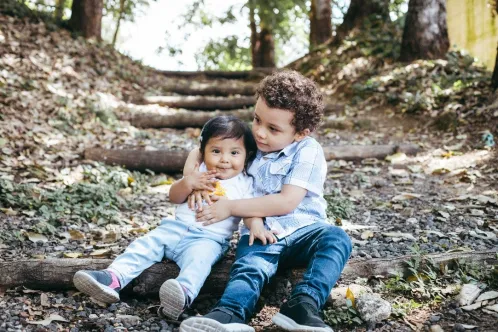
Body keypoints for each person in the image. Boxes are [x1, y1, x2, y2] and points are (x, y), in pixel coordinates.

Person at [179, 71, 352, 332]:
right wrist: (192, 171)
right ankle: (229, 313)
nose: (259, 132)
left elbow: (286, 202)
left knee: (337, 239)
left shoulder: (308, 150)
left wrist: (230, 207)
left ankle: (303, 305)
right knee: (249, 267)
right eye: (257, 119)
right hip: (261, 232)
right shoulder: (251, 144)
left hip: (305, 231)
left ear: (300, 133)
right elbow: (203, 147)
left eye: (273, 129)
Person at [73, 116, 277, 320]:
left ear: (247, 155)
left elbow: (249, 211)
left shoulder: (245, 183)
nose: (224, 159)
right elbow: (174, 196)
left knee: (199, 262)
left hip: (208, 239)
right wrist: (188, 183)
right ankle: (113, 278)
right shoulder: (199, 172)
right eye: (216, 151)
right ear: (204, 152)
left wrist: (256, 226)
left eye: (234, 153)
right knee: (143, 245)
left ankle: (182, 293)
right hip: (172, 229)